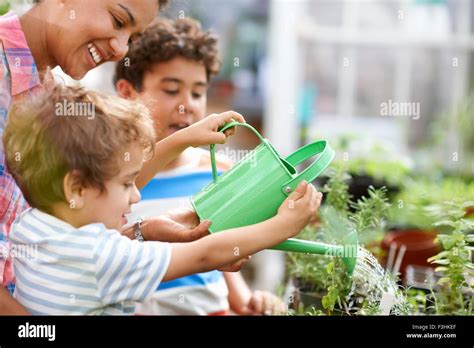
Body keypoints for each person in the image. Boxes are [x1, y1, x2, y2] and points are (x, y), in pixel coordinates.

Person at [3, 83, 322, 315]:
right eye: (127, 183)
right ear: (76, 188)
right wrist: (282, 226)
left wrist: (144, 230)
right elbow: (202, 255)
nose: (136, 194)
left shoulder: (31, 224)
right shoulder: (101, 256)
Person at [0, 0, 235, 313]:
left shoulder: (50, 92)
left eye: (133, 37)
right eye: (118, 19)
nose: (121, 49)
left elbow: (93, 188)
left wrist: (141, 232)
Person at [115, 18, 287, 315]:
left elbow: (222, 265)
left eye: (197, 92)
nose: (187, 105)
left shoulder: (219, 171)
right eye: (171, 90)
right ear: (127, 92)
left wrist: (250, 302)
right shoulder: (113, 179)